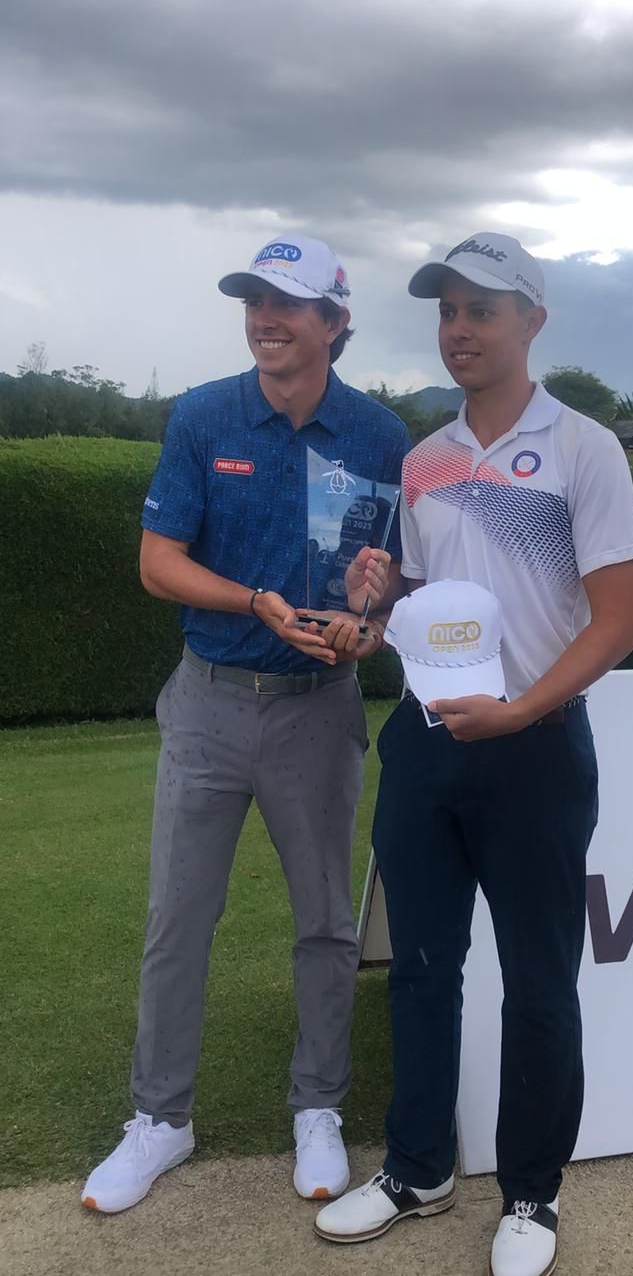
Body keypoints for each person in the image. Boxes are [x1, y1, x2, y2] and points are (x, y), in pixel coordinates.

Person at [315, 233, 633, 1276]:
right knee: (419, 967)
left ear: (532, 321)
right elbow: (415, 608)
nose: (459, 328)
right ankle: (418, 1168)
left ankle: (532, 1192)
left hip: (535, 745)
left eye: (482, 309)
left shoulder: (586, 447)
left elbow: (617, 620)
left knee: (540, 980)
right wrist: (374, 600)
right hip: (425, 744)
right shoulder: (424, 458)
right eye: (447, 309)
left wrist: (523, 710)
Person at [81, 233, 409, 1214]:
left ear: (336, 323)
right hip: (212, 698)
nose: (266, 317)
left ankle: (319, 1105)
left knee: (321, 917)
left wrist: (369, 621)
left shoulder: (384, 437)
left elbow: (389, 586)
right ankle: (160, 1118)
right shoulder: (203, 415)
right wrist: (257, 600)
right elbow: (157, 563)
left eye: (290, 303)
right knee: (179, 914)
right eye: (255, 299)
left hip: (321, 709)